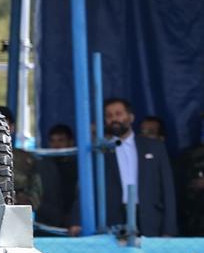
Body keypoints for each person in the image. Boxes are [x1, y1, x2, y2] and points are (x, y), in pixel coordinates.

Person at [69, 98, 177, 237]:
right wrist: (77, 220)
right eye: (109, 116)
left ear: (131, 117)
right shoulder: (100, 150)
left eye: (118, 114)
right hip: (112, 221)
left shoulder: (154, 147)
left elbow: (168, 189)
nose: (114, 119)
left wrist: (169, 229)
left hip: (150, 220)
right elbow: (85, 188)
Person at [0, 106, 42, 211]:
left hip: (15, 212)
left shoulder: (26, 159)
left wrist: (22, 202)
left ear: (12, 127)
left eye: (2, 125)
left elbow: (36, 190)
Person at [36, 123, 77, 229]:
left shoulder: (79, 167)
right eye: (53, 141)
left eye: (61, 140)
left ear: (71, 142)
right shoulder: (41, 167)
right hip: (46, 224)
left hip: (72, 225)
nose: (56, 145)